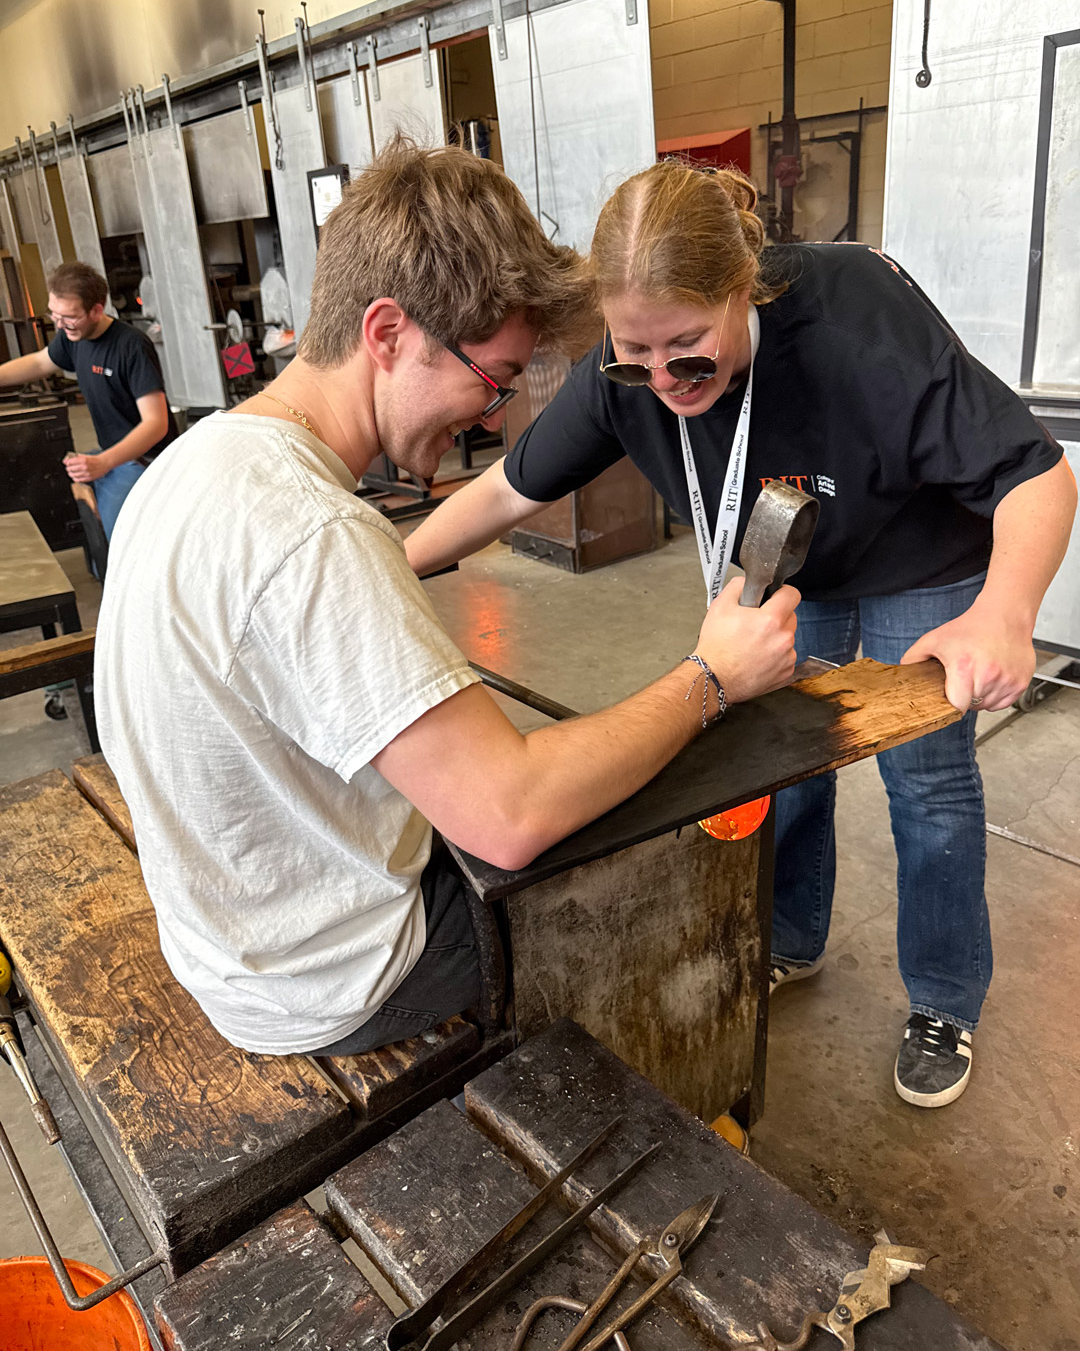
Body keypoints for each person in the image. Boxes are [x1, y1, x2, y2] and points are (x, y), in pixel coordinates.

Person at [95, 141, 799, 1060]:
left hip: (232, 943)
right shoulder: (313, 533)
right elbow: (510, 816)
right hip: (340, 982)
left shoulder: (191, 464)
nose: (493, 414)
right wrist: (712, 676)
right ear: (388, 333)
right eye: (493, 379)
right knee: (653, 865)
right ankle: (656, 1121)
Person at [405, 159, 1077, 1109]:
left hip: (920, 559)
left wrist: (1004, 614)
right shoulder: (625, 372)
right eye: (634, 354)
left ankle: (944, 998)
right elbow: (512, 487)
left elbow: (1037, 474)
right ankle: (790, 939)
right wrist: (386, 567)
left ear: (742, 289)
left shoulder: (854, 325)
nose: (663, 382)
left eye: (687, 349)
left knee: (926, 786)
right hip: (797, 562)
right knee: (779, 761)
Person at [0, 261, 176, 541]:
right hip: (111, 454)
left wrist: (104, 463)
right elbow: (39, 362)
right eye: (54, 314)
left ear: (97, 309)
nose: (59, 323)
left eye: (69, 316)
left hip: (144, 460)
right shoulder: (72, 337)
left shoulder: (131, 346)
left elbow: (156, 424)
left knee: (117, 540)